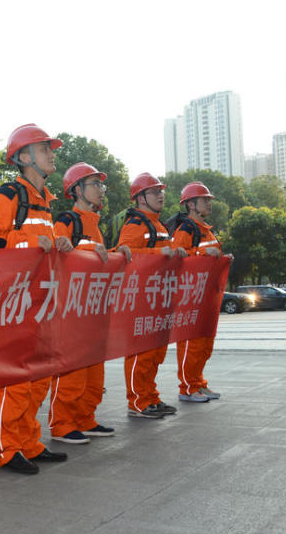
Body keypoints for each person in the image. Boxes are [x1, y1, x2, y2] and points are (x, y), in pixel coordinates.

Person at [0, 123, 72, 475]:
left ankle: (30, 441)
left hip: (44, 302)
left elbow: (43, 250)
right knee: (15, 378)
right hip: (15, 303)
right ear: (24, 157)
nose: (52, 154)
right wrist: (28, 245)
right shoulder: (9, 195)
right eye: (45, 148)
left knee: (40, 377)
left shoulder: (46, 204)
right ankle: (7, 447)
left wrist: (61, 245)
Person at [48, 162, 128, 444]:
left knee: (94, 371)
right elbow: (58, 250)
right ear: (77, 190)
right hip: (71, 309)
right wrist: (87, 248)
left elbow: (98, 258)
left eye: (101, 185)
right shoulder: (67, 220)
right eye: (95, 184)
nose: (101, 190)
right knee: (72, 369)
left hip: (93, 310)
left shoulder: (95, 224)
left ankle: (85, 418)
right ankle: (62, 424)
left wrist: (118, 252)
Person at [115, 173, 187, 419]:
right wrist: (159, 252)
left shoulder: (159, 225)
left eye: (161, 191)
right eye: (155, 191)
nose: (161, 195)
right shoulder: (135, 224)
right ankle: (137, 401)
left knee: (155, 354)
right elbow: (125, 253)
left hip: (159, 297)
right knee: (140, 353)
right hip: (142, 299)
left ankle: (150, 397)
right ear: (140, 197)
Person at [173, 181, 229, 403]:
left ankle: (198, 383)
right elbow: (180, 258)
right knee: (191, 344)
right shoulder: (186, 229)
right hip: (191, 297)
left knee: (205, 345)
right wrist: (203, 255)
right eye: (205, 200)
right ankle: (187, 388)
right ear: (191, 205)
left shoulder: (207, 231)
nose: (209, 203)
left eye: (208, 200)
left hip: (208, 296)